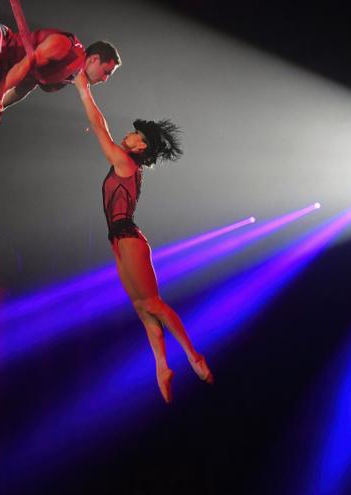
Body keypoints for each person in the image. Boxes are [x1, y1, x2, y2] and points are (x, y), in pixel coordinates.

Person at [73, 70, 214, 404]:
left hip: (130, 237)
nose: (129, 134)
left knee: (153, 303)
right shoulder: (125, 164)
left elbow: (99, 128)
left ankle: (194, 356)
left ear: (142, 145)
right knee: (141, 307)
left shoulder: (125, 163)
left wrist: (83, 91)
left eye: (136, 133)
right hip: (118, 240)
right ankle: (162, 367)